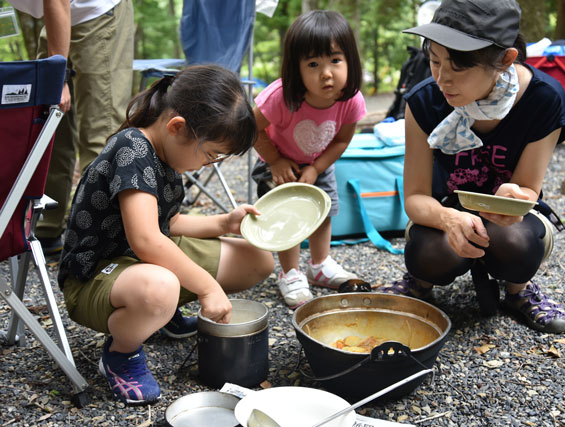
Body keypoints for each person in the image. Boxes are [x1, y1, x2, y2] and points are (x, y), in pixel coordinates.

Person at [57, 65, 275, 404]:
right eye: (210, 155)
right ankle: (120, 354)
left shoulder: (166, 153)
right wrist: (207, 286)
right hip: (94, 275)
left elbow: (167, 224)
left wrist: (224, 223)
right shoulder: (132, 149)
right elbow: (146, 240)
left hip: (139, 261)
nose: (209, 164)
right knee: (160, 287)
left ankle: (163, 315)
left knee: (257, 259)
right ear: (177, 128)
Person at [381, 0, 565, 334]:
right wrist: (450, 218)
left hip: (512, 220)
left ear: (505, 59)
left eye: (457, 67)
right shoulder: (423, 101)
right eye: (435, 60)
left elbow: (529, 187)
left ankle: (518, 290)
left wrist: (517, 196)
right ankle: (420, 284)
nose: (442, 79)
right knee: (427, 253)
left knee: (517, 246)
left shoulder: (543, 99)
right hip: (445, 213)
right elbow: (414, 197)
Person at [251, 10, 367, 308]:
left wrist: (317, 168)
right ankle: (290, 272)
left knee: (323, 210)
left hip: (319, 162)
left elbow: (341, 139)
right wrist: (275, 161)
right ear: (296, 69)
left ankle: (319, 264)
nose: (326, 73)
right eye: (313, 64)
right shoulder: (281, 97)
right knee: (288, 215)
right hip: (278, 163)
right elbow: (252, 130)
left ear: (350, 61)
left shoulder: (350, 99)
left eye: (335, 60)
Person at [17, 0, 134, 256]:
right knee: (48, 124)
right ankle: (47, 229)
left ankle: (97, 244)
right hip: (58, 15)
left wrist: (58, 76)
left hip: (98, 9)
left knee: (99, 131)